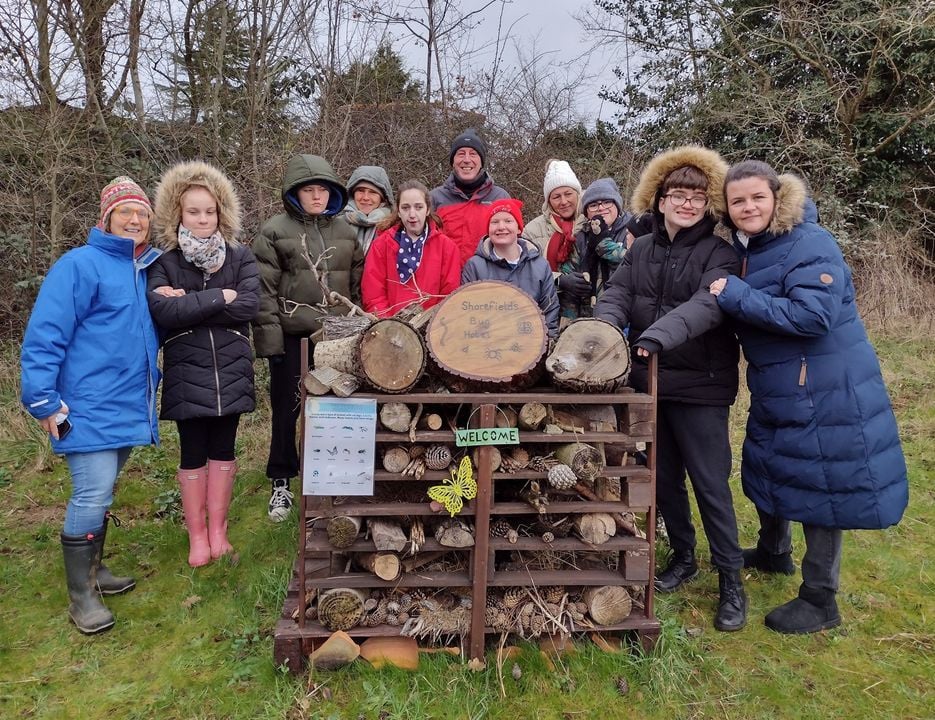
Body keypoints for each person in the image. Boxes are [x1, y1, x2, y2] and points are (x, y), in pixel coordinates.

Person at [710, 160, 908, 634]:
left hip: (824, 389)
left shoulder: (809, 241)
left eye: (757, 197)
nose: (748, 207)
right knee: (772, 464)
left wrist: (736, 296)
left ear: (777, 198)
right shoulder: (753, 249)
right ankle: (775, 551)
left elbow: (812, 316)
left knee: (823, 486)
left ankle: (821, 599)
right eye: (738, 201)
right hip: (783, 385)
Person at [594, 145, 746, 632]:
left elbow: (709, 306)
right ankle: (683, 556)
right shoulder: (640, 248)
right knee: (661, 477)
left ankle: (731, 580)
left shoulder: (719, 253)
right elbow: (617, 292)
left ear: (708, 205)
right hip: (648, 382)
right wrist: (605, 327)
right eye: (677, 195)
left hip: (700, 384)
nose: (686, 204)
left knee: (709, 483)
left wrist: (656, 335)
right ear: (659, 201)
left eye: (697, 198)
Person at [20, 177, 162, 634]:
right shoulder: (79, 265)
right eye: (125, 212)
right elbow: (46, 334)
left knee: (105, 490)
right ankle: (81, 596)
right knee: (92, 492)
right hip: (85, 405)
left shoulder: (143, 269)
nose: (135, 220)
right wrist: (42, 399)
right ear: (106, 219)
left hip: (125, 405)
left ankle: (96, 570)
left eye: (142, 213)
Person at [148, 161, 260, 567]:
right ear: (178, 213)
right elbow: (163, 312)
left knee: (224, 449)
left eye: (209, 211)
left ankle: (219, 531)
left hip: (231, 370)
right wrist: (220, 298)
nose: (202, 218)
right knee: (192, 451)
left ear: (221, 213)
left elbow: (250, 304)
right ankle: (197, 536)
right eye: (193, 211)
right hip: (186, 371)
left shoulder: (240, 256)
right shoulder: (165, 261)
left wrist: (191, 302)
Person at [252, 155, 363, 522]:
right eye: (309, 190)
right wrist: (271, 346)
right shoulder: (273, 231)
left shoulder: (347, 231)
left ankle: (335, 480)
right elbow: (263, 292)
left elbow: (358, 288)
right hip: (293, 337)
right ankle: (281, 481)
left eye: (323, 190)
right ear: (295, 193)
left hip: (337, 339)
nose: (317, 196)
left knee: (337, 411)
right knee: (287, 412)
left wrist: (359, 332)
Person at [461, 198, 560, 336]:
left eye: (508, 221)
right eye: (495, 222)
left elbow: (549, 310)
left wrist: (547, 345)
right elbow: (466, 312)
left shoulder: (540, 266)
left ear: (519, 228)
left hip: (531, 343)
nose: (501, 227)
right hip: (486, 346)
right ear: (488, 229)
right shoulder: (475, 266)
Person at [361, 180, 461, 317]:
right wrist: (389, 324)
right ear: (399, 211)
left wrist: (430, 324)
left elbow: (449, 295)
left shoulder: (447, 248)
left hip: (432, 327)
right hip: (390, 327)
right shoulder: (381, 245)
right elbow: (373, 294)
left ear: (427, 209)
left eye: (418, 207)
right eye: (406, 208)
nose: (412, 214)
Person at [430, 128, 509, 267]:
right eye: (461, 154)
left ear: (481, 161)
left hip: (487, 282)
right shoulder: (434, 198)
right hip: (446, 281)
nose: (467, 160)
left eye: (473, 154)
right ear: (453, 161)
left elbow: (513, 244)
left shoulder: (500, 198)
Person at [344, 165, 395, 255]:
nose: (366, 197)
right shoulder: (336, 223)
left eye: (373, 192)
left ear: (382, 198)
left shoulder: (392, 227)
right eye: (360, 190)